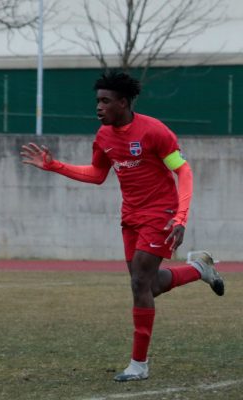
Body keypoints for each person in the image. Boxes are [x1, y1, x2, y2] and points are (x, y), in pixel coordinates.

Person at [20, 71, 225, 382]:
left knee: (139, 284)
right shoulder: (103, 137)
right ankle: (199, 269)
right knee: (149, 285)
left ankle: (139, 365)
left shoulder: (154, 132)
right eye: (97, 101)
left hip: (161, 213)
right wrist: (54, 166)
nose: (98, 107)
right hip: (130, 216)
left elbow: (183, 172)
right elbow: (97, 174)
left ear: (124, 102)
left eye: (105, 101)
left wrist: (180, 217)